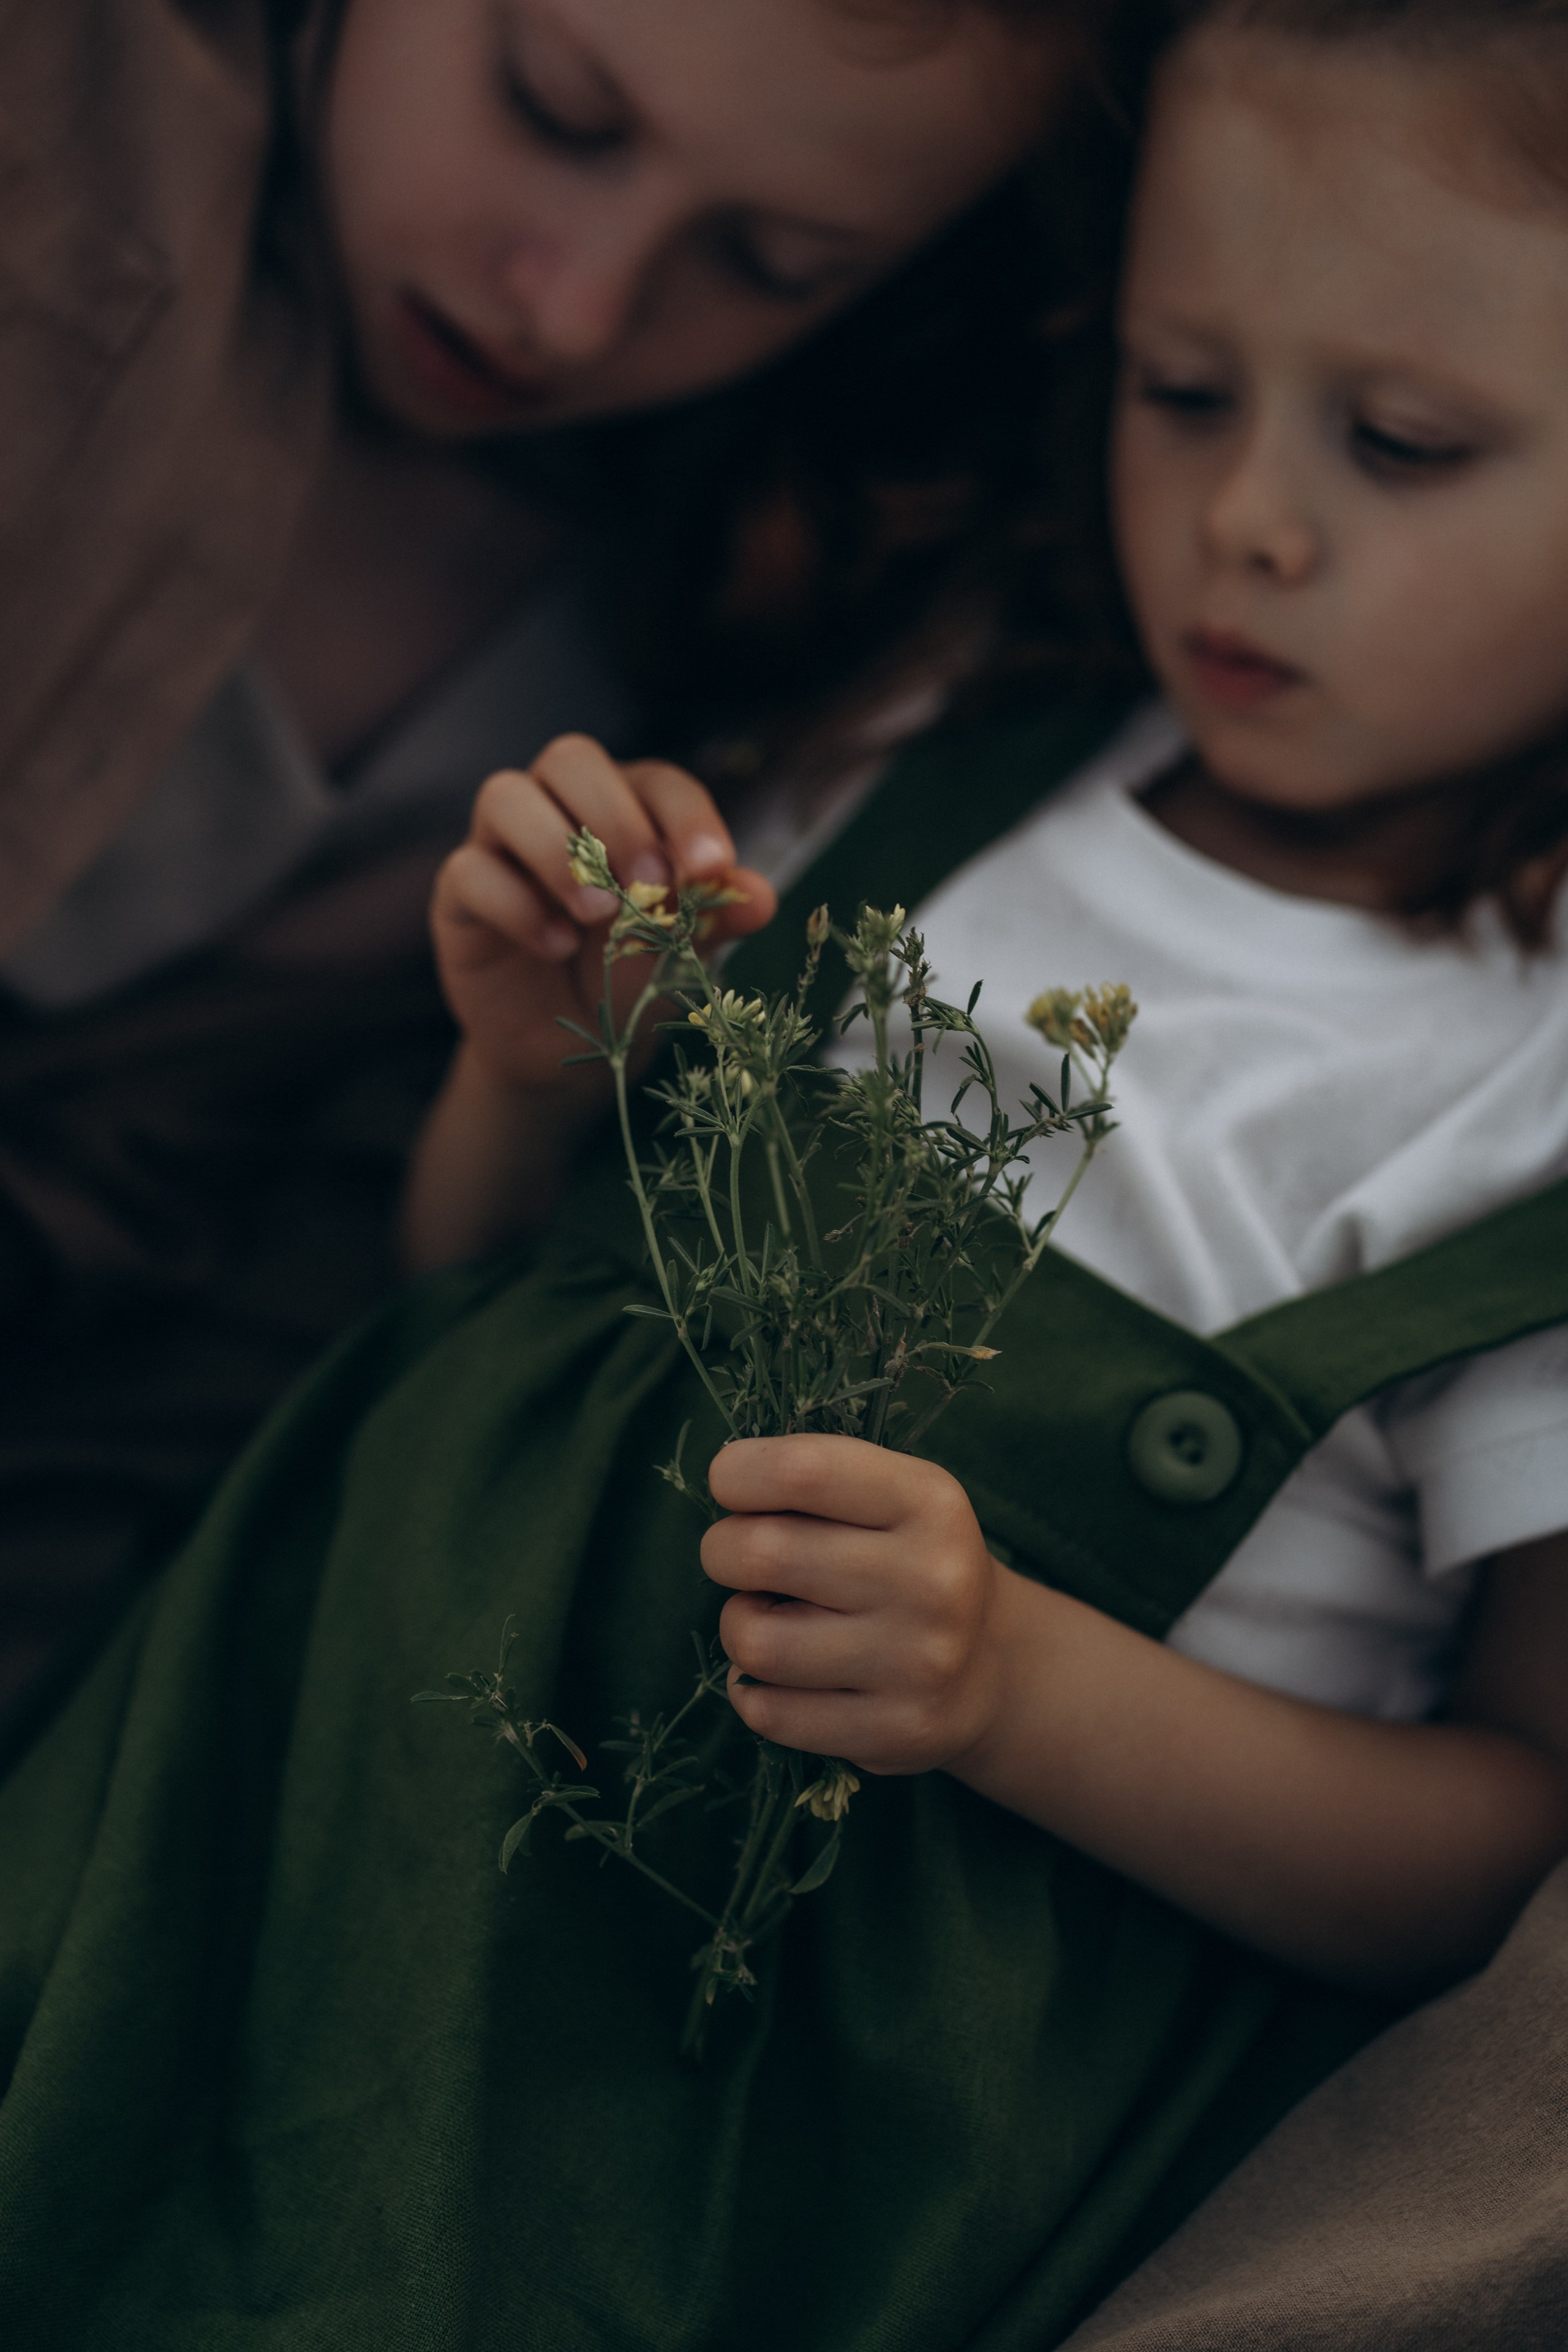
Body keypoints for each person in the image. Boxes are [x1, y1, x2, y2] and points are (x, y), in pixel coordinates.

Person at [4, 1, 1567, 2345]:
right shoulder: (936, 752)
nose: (1248, 513)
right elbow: (480, 1326)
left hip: (733, 2129)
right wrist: (537, 1066)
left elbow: (1508, 1843)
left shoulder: (1521, 1110)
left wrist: (1019, 1687)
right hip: (285, 1834)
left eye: (1405, 441)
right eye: (1177, 390)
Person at [0, 0, 1128, 1753]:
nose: (575, 306)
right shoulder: (76, 120)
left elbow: (254, 1299)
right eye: (555, 107)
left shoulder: (742, 619)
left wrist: (526, 1075)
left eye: (771, 264)